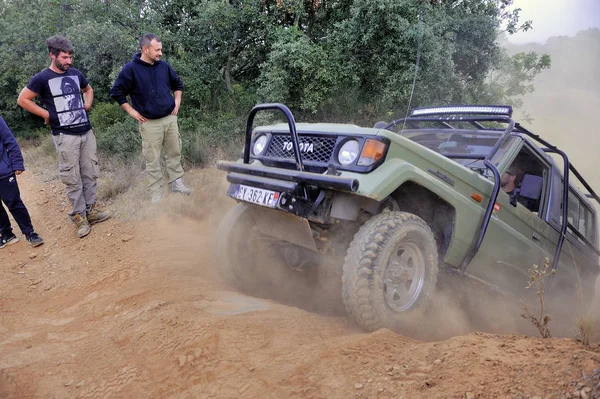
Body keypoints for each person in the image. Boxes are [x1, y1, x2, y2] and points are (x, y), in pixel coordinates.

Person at [17, 35, 110, 238]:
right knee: (72, 176)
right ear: (52, 55)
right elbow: (23, 99)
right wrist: (47, 114)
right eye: (64, 57)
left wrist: (88, 103)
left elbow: (88, 89)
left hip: (86, 130)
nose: (68, 61)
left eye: (70, 57)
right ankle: (79, 216)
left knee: (90, 172)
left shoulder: (75, 74)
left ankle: (90, 211)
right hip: (64, 135)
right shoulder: (42, 78)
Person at [110, 33, 191, 204]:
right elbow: (116, 91)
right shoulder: (130, 69)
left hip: (170, 118)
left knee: (174, 152)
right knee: (152, 159)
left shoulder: (163, 66)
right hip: (149, 123)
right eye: (157, 50)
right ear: (145, 49)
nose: (160, 53)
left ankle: (177, 183)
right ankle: (156, 193)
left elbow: (178, 84)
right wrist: (131, 111)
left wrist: (177, 102)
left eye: (161, 49)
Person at [0, 116, 44, 248]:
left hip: (3, 171)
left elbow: (10, 141)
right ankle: (7, 235)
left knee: (14, 202)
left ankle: (30, 233)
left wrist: (17, 163)